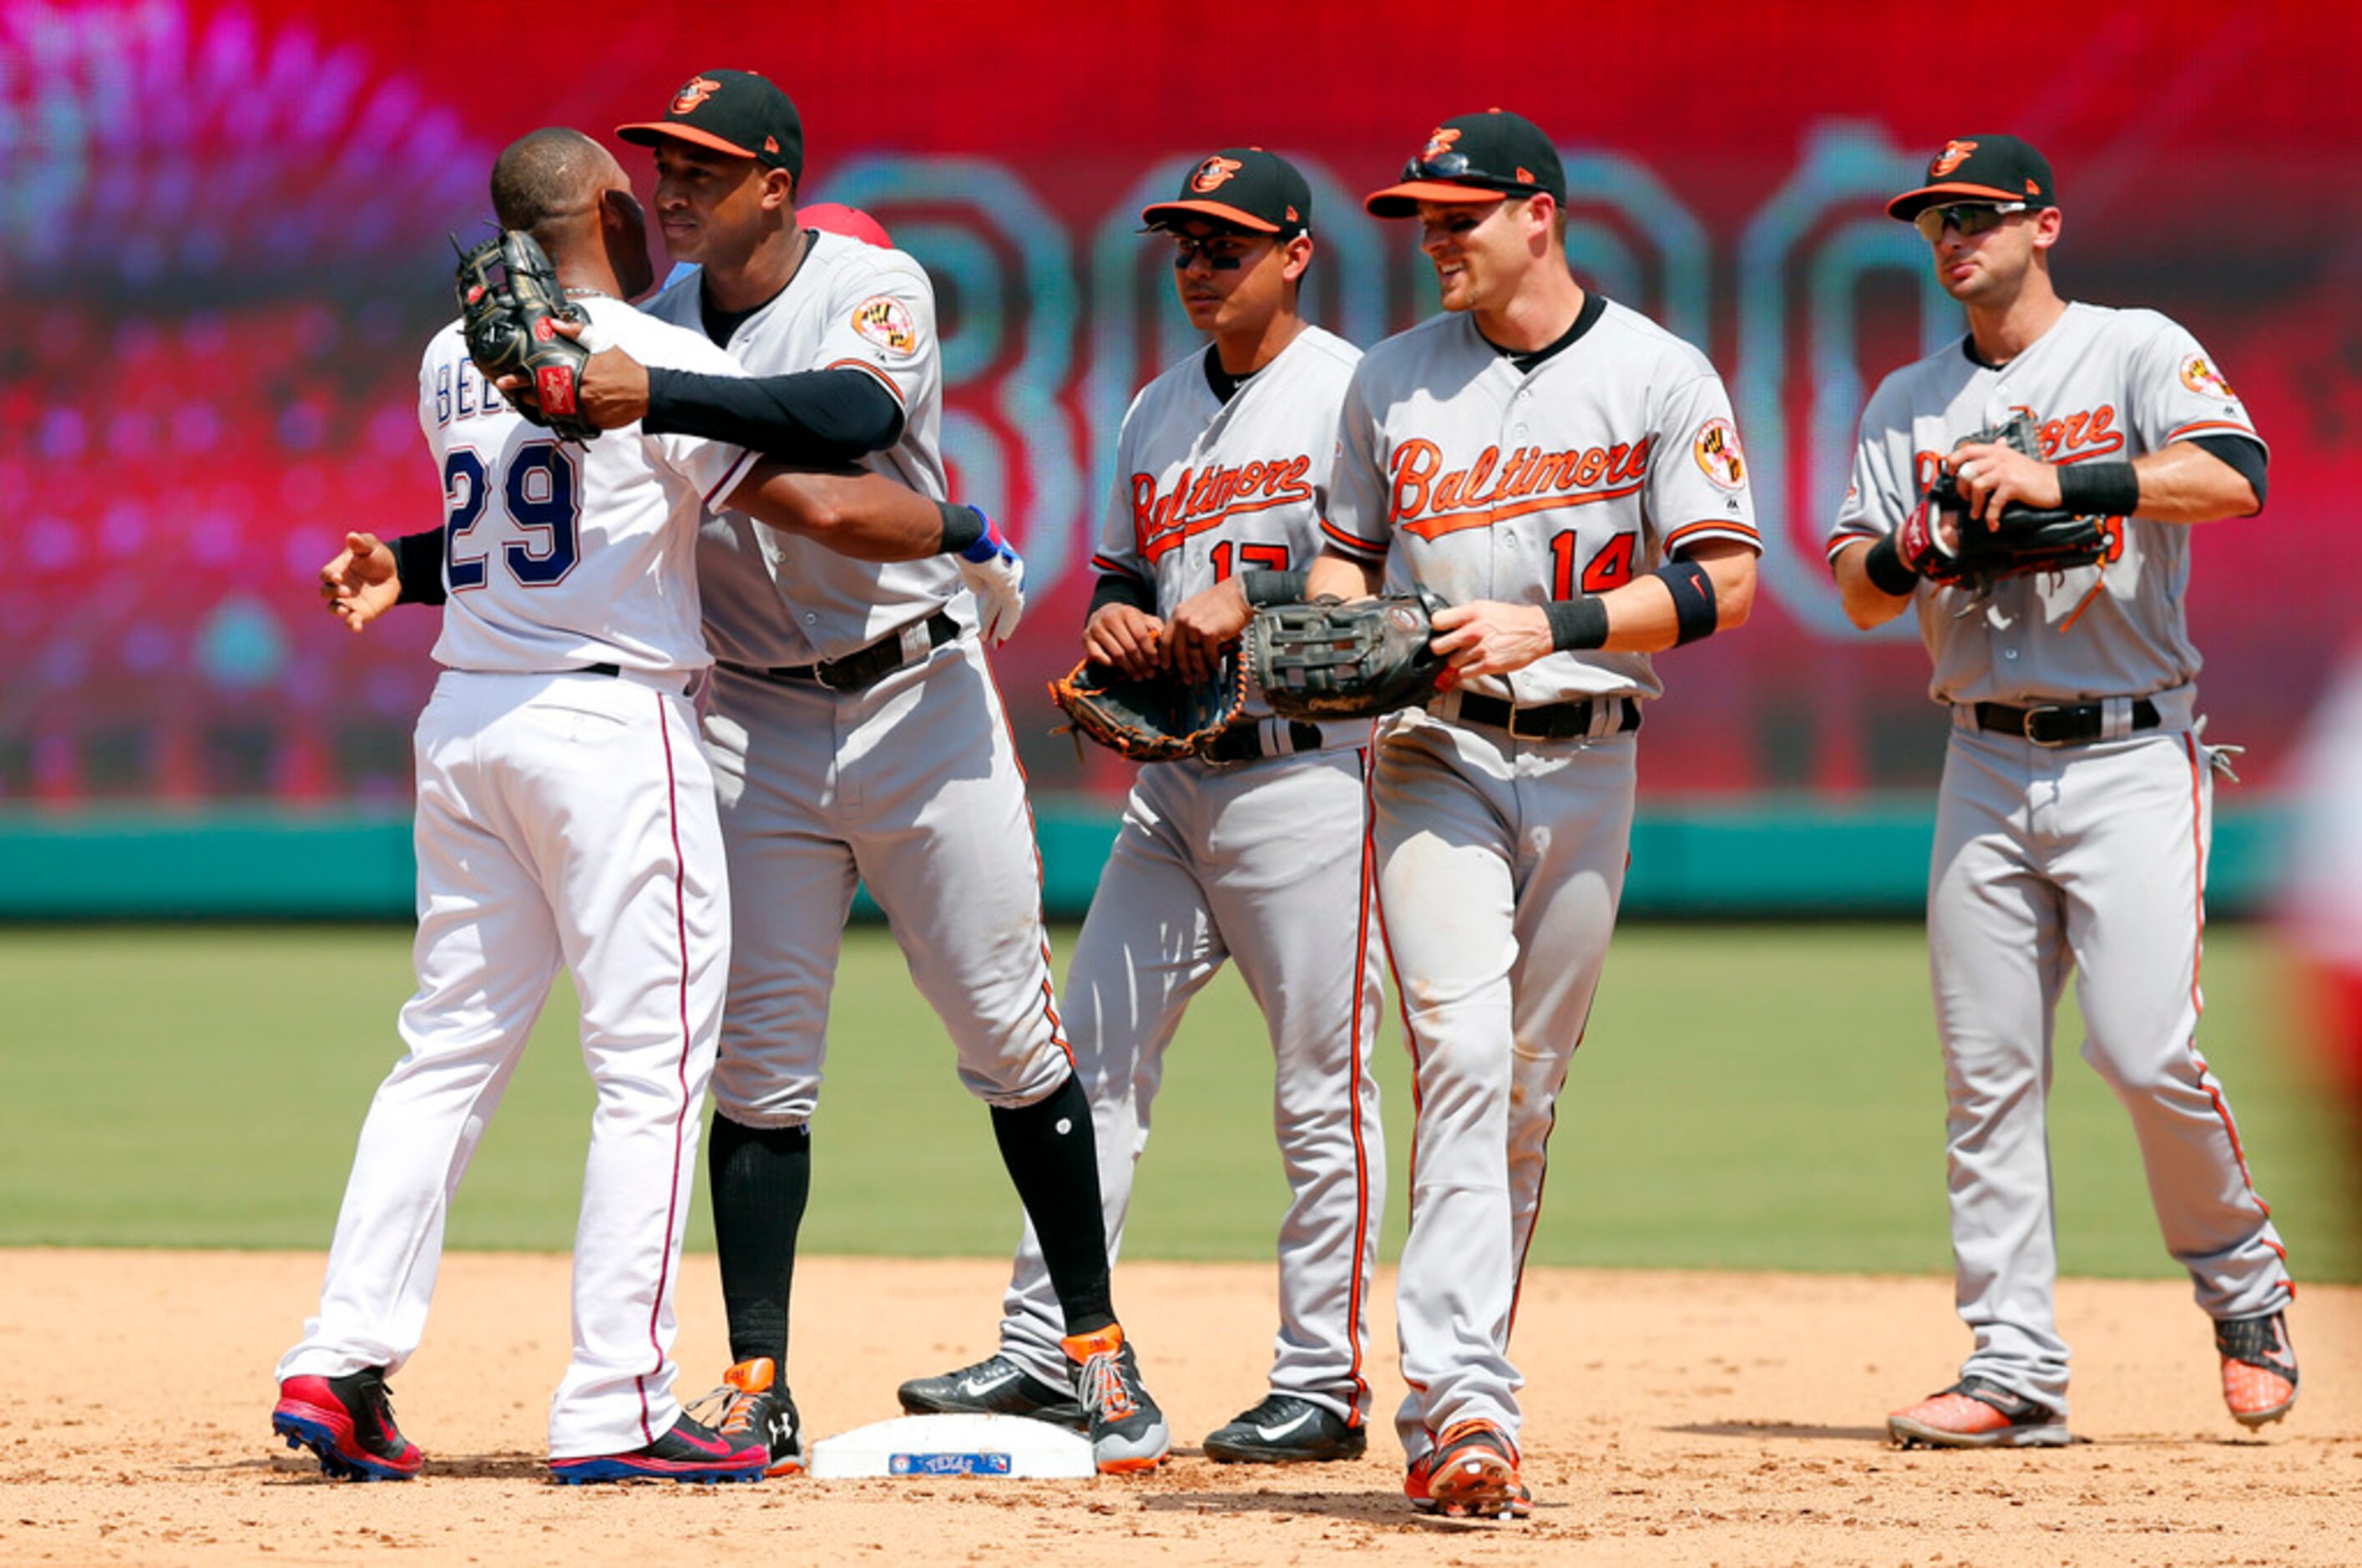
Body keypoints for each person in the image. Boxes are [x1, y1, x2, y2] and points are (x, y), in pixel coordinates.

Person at [274, 128, 974, 1485]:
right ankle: (617, 1401)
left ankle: (339, 1355)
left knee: (445, 1054)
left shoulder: (445, 353)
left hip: (468, 715)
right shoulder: (662, 359)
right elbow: (831, 463)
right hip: (608, 729)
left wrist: (411, 568)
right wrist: (960, 533)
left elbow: (535, 522)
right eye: (635, 192)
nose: (658, 210)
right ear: (603, 208)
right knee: (651, 1073)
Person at [572, 69, 1166, 1475]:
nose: (672, 184)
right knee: (758, 1068)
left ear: (776, 181)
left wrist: (654, 396)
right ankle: (754, 1379)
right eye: (663, 162)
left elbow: (842, 426)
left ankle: (1091, 1348)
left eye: (704, 166)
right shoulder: (647, 323)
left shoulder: (867, 284)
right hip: (751, 724)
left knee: (1009, 1036)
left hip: (916, 701)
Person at [893, 149, 1386, 1464]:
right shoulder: (1155, 410)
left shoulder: (1351, 390)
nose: (1198, 267)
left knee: (1318, 1089)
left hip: (1310, 770)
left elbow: (1383, 576)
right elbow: (1126, 571)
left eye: (1225, 245)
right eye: (1183, 246)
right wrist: (1115, 615)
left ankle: (1323, 1381)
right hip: (1174, 784)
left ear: (1294, 254)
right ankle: (1049, 1345)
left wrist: (1264, 594)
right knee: (1083, 1061)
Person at [1306, 109, 1759, 1516]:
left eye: (1456, 215)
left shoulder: (1653, 372)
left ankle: (1461, 1380)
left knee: (1521, 1087)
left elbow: (1722, 583)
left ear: (1538, 216)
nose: (1431, 238)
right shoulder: (1390, 379)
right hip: (1432, 752)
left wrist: (1546, 623)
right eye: (1419, 218)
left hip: (1589, 752)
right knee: (1455, 1049)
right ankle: (1463, 1404)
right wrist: (1355, 638)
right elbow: (1336, 567)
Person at [1826, 134, 2294, 1449]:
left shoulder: (2134, 346)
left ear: (2043, 224)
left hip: (2132, 752)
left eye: (1976, 214)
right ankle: (2013, 1360)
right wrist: (1917, 545)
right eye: (1935, 220)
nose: (1952, 236)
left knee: (2144, 1050)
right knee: (1985, 1073)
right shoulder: (1904, 400)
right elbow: (1856, 589)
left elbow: (2236, 476)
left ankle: (2242, 1281)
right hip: (1979, 752)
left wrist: (2068, 478)